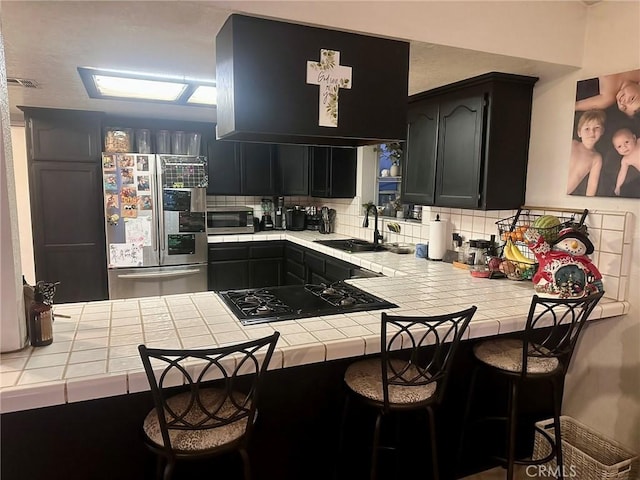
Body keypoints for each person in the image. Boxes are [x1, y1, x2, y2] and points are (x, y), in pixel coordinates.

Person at [567, 109, 606, 196]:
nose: (592, 132)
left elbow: (592, 185)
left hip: (564, 195)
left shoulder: (596, 158)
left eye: (597, 128)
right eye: (587, 128)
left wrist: (587, 204)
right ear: (579, 133)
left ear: (602, 131)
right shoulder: (572, 144)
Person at [575, 69, 640, 117]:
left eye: (624, 108)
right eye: (632, 99)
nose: (623, 102)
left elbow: (575, 106)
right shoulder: (636, 74)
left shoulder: (607, 99)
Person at [612, 127, 640, 196]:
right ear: (616, 149)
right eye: (619, 146)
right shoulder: (625, 160)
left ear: (634, 138)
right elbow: (622, 174)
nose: (624, 147)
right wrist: (618, 186)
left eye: (626, 142)